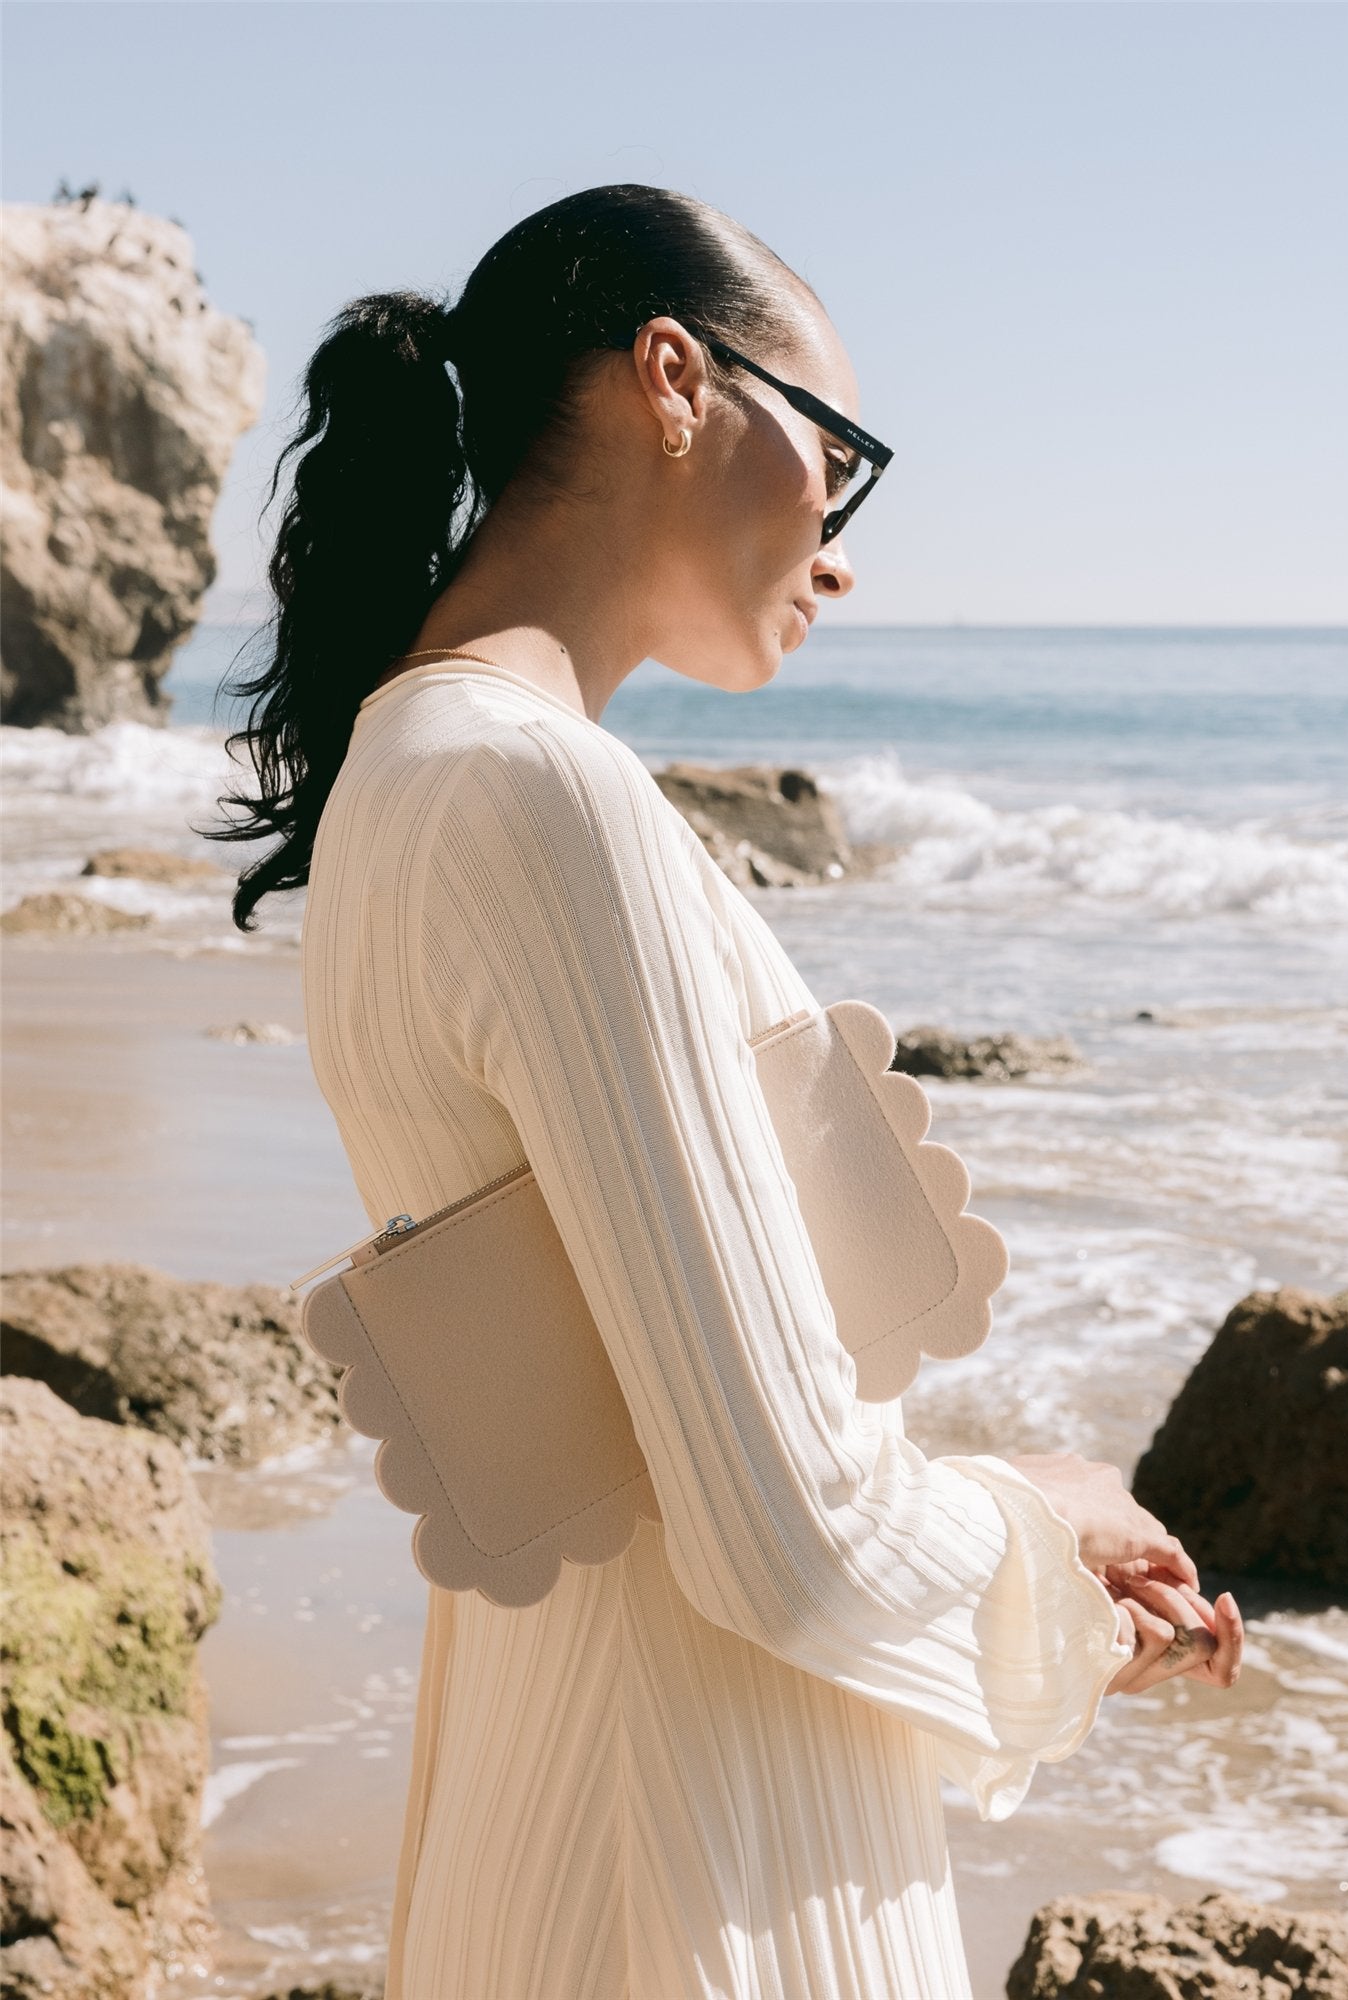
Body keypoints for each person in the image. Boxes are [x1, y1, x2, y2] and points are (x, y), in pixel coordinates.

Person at [207, 183, 1244, 2000]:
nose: (841, 543)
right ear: (672, 380)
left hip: (574, 1792)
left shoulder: (406, 772)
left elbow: (632, 1437)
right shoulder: (541, 797)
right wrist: (1043, 1521)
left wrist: (1045, 1590)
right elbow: (781, 1535)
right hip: (692, 1854)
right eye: (834, 452)